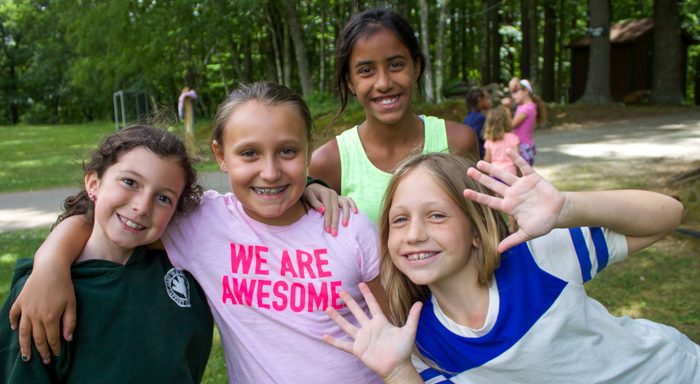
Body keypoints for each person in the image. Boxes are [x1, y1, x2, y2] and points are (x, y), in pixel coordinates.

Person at [9, 82, 384, 384]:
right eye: (250, 154)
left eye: (287, 151)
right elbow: (111, 221)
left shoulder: (346, 226)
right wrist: (50, 264)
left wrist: (310, 184)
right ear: (221, 156)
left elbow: (396, 327)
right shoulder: (203, 222)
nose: (270, 172)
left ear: (308, 152)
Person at [324, 152, 699, 383]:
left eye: (437, 216)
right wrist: (397, 372)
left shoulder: (537, 259)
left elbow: (668, 215)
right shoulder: (422, 340)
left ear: (475, 230)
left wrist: (568, 208)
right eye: (400, 220)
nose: (415, 234)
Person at [0, 125, 214, 383]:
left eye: (163, 198)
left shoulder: (184, 275)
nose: (142, 207)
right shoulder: (42, 295)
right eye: (130, 182)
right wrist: (50, 263)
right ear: (93, 183)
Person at [310, 8, 479, 224]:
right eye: (366, 70)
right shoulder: (329, 163)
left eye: (396, 65)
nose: (384, 83)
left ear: (416, 67)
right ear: (350, 82)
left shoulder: (458, 142)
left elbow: (480, 232)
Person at [509, 78, 546, 166]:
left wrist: (506, 109)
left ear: (525, 91)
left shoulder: (527, 108)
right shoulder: (523, 106)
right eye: (512, 93)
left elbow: (511, 125)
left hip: (523, 147)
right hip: (521, 145)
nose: (513, 96)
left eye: (516, 92)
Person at [483, 106, 519, 176]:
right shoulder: (513, 137)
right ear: (506, 121)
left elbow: (487, 160)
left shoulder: (489, 141)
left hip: (495, 173)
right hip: (510, 173)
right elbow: (517, 158)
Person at [463, 86, 491, 159]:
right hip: (481, 155)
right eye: (487, 98)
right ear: (479, 100)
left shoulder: (466, 118)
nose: (489, 101)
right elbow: (484, 137)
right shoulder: (480, 118)